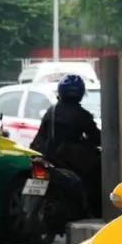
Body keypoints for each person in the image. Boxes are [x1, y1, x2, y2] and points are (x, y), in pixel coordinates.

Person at [30, 74, 102, 212]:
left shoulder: (51, 111)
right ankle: (91, 209)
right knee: (97, 173)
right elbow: (96, 137)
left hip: (48, 158)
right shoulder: (82, 115)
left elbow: (39, 137)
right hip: (68, 163)